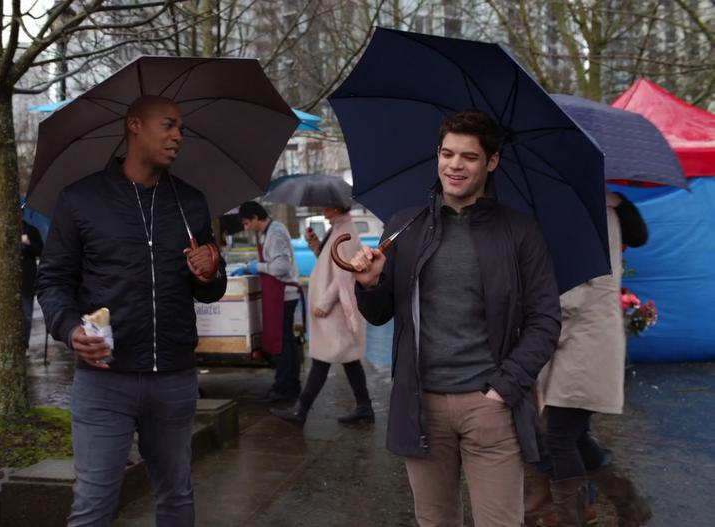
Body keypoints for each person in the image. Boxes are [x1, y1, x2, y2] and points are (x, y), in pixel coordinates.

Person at [349, 110, 562, 526]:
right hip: (420, 404)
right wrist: (370, 283)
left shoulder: (520, 232)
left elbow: (545, 319)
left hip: (490, 406)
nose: (455, 165)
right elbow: (378, 315)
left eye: (469, 156)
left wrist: (504, 389)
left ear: (492, 162)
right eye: (447, 154)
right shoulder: (404, 226)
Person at [37, 95, 227, 527]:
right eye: (168, 124)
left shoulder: (190, 202)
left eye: (181, 127)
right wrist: (69, 331)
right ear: (134, 126)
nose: (178, 135)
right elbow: (51, 282)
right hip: (104, 380)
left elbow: (210, 290)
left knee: (177, 497)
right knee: (93, 507)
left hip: (174, 379)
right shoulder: (80, 199)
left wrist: (210, 273)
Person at [529, 189, 650, 527]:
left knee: (559, 437)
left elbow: (573, 292)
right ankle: (630, 506)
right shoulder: (603, 208)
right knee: (575, 435)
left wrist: (540, 332)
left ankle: (576, 519)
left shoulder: (582, 213)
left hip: (580, 341)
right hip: (589, 336)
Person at [271, 205, 373, 425]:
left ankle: (302, 410)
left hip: (335, 309)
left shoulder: (345, 231)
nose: (320, 208)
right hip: (335, 309)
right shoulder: (337, 228)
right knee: (348, 358)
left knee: (322, 359)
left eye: (324, 204)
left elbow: (346, 272)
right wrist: (317, 245)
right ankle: (364, 407)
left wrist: (325, 302)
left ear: (335, 207)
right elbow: (333, 263)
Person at [234, 201, 302, 402]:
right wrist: (250, 266)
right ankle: (287, 386)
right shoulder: (266, 232)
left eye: (247, 223)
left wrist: (257, 267)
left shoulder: (276, 233)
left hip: (285, 294)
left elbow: (281, 268)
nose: (246, 228)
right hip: (277, 295)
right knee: (285, 342)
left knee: (284, 343)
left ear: (256, 218)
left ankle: (285, 388)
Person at [21, 219, 43, 350]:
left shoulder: (31, 230)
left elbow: (40, 250)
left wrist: (28, 243)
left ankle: (25, 345)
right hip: (13, 281)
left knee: (27, 316)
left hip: (27, 280)